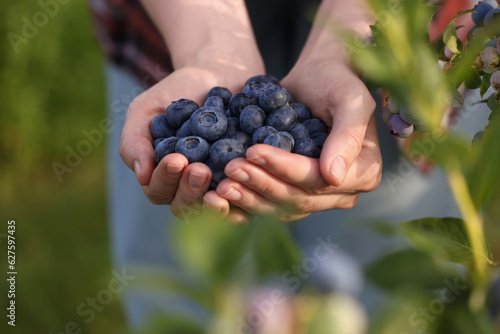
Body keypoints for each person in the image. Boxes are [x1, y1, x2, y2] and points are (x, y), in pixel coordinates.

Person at [89, 0, 486, 329]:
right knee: (190, 288)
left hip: (391, 30)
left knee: (372, 283)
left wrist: (344, 43)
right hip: (175, 19)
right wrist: (208, 45)